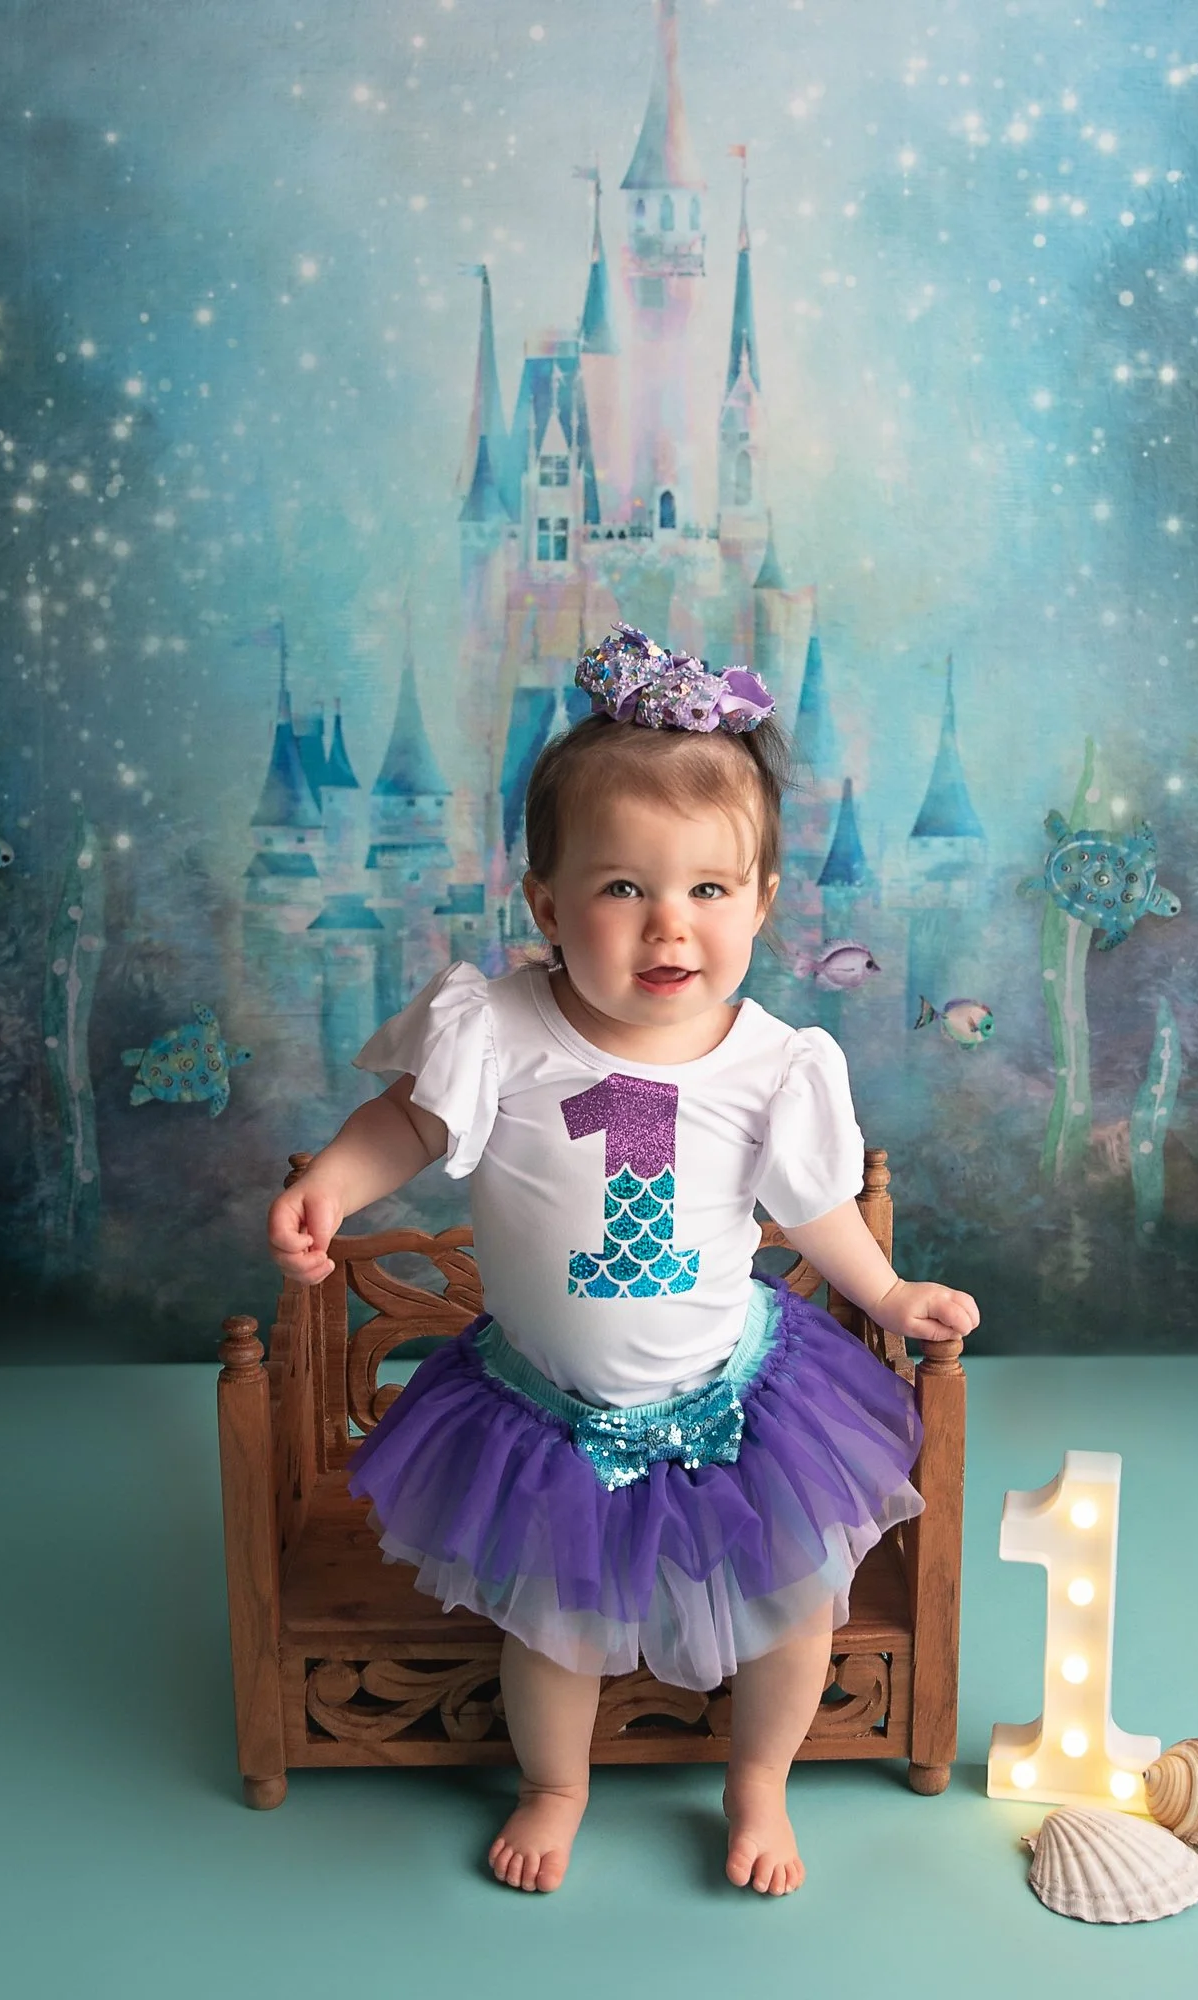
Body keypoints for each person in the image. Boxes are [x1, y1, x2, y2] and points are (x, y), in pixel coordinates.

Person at [265, 625, 979, 1896]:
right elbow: (410, 1123)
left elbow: (812, 1204)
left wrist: (882, 1289)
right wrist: (333, 1176)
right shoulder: (497, 1026)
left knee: (795, 1601)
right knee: (555, 1620)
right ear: (544, 903)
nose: (670, 927)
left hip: (732, 1393)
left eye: (709, 890)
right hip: (546, 1404)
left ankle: (757, 1780)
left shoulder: (773, 1060)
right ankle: (556, 1780)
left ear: (762, 902)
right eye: (621, 889)